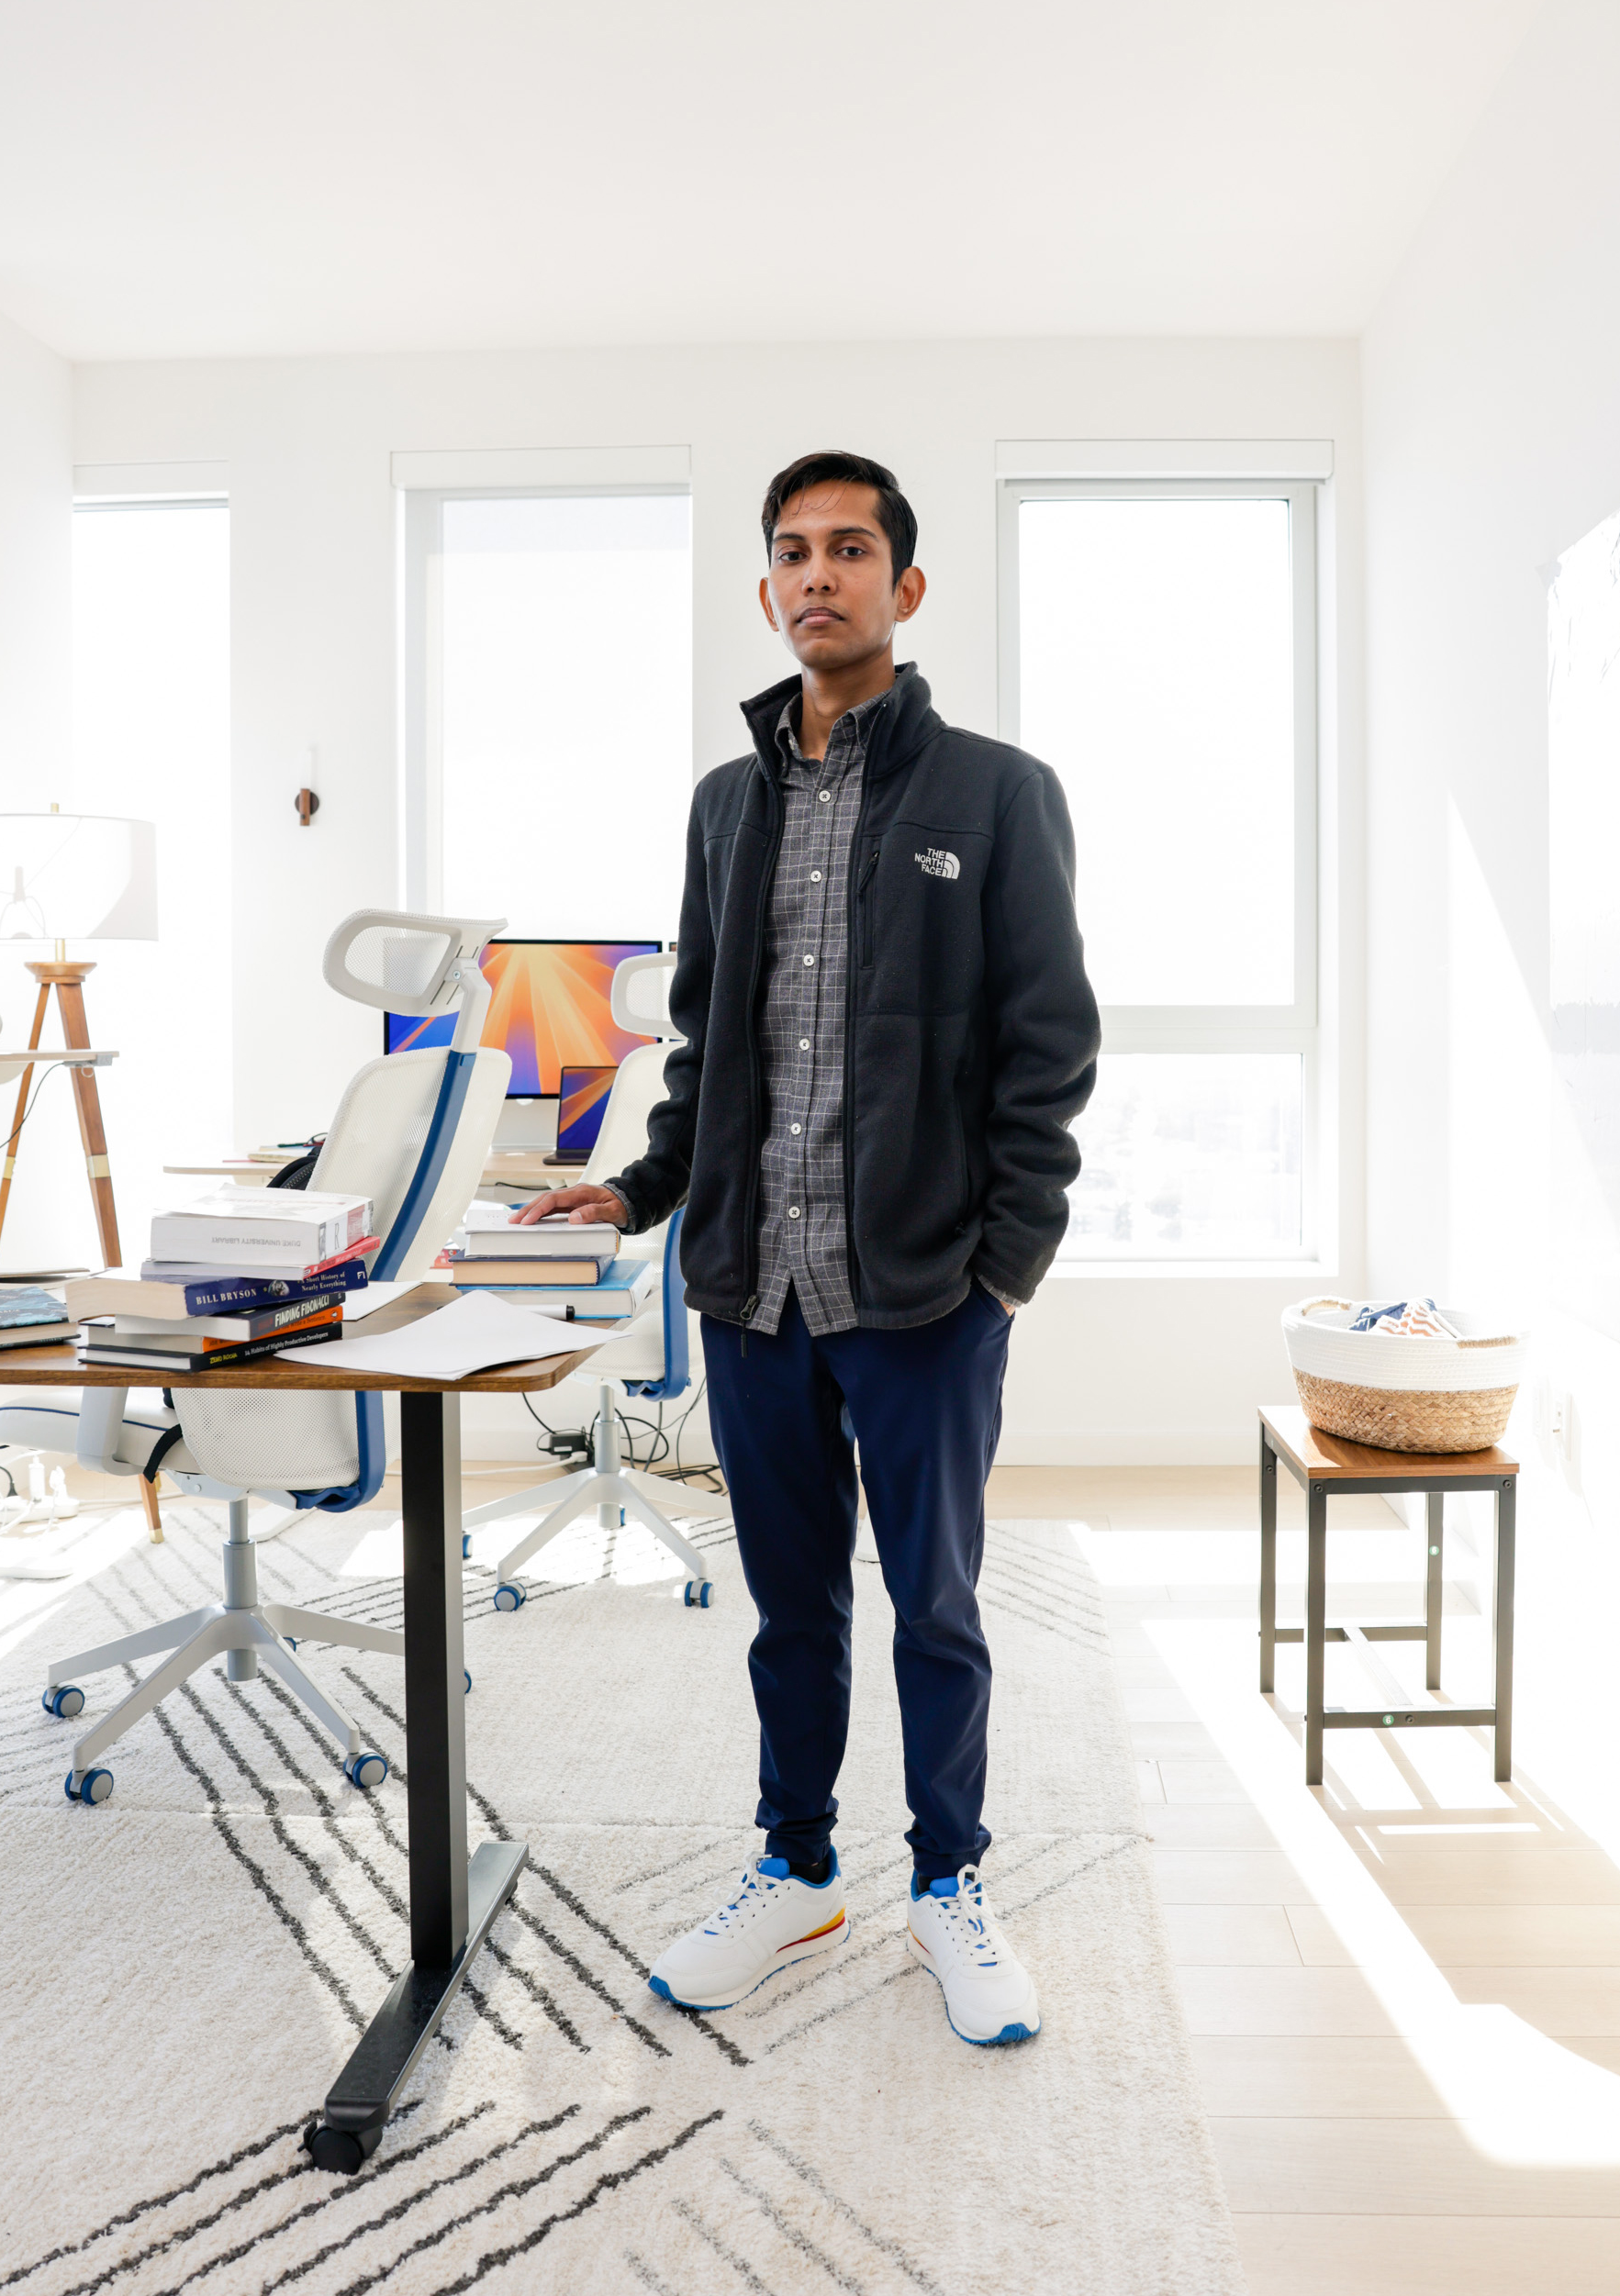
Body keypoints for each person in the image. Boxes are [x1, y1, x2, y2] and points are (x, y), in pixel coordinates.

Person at [515, 448, 1099, 2045]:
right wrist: (637, 1193)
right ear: (765, 591)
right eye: (792, 552)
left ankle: (950, 1879)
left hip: (923, 1290)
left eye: (851, 549)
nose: (818, 575)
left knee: (936, 1606)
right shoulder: (724, 806)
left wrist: (1004, 1264)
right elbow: (712, 1048)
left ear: (904, 589)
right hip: (750, 1292)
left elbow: (1048, 1048)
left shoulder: (994, 793)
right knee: (789, 1608)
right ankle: (794, 1862)